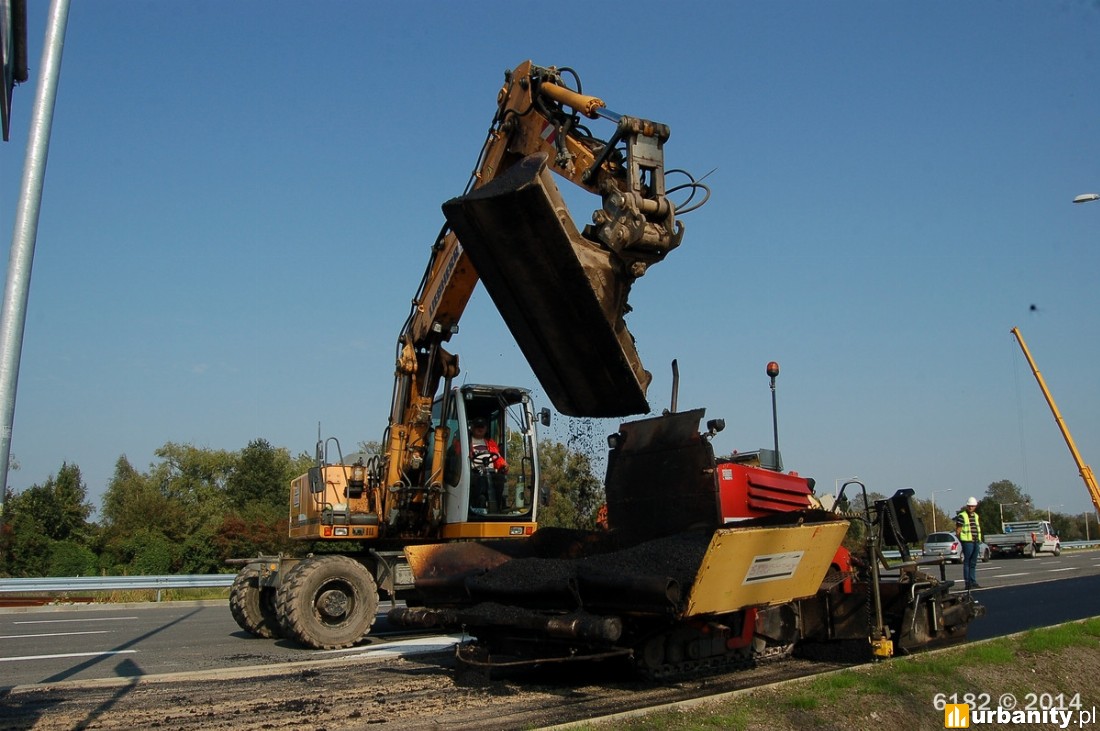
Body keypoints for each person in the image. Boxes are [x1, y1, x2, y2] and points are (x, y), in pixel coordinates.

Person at [955, 496, 983, 590]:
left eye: (973, 506)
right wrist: (962, 540)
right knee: (967, 562)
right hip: (967, 542)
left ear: (975, 506)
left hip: (975, 541)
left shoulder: (976, 516)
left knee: (973, 563)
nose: (971, 507)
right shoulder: (962, 516)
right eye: (969, 506)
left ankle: (973, 581)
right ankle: (968, 583)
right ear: (967, 506)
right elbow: (958, 530)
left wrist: (978, 540)